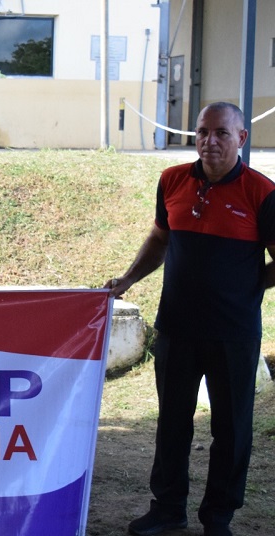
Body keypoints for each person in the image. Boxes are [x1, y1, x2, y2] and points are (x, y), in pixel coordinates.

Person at [106, 102, 275, 536]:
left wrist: (248, 286)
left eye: (221, 133)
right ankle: (167, 509)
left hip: (233, 334)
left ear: (241, 138)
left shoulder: (262, 192)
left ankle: (219, 517)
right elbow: (160, 238)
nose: (209, 141)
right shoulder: (172, 180)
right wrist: (126, 279)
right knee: (172, 423)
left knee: (232, 429)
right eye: (202, 132)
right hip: (177, 328)